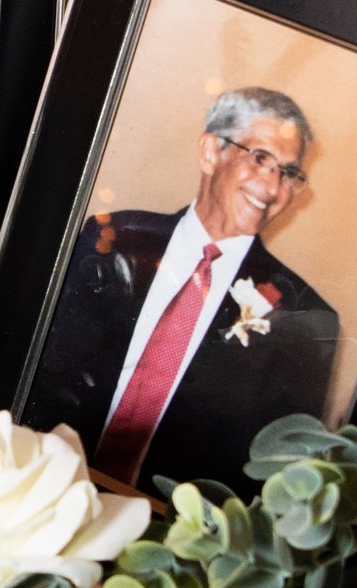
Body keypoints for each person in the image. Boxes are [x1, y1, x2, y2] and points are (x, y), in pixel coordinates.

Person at [30, 86, 340, 492]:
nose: (272, 185)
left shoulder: (303, 315)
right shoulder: (111, 239)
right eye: (261, 158)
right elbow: (41, 372)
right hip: (47, 480)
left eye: (288, 172)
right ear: (211, 152)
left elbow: (271, 481)